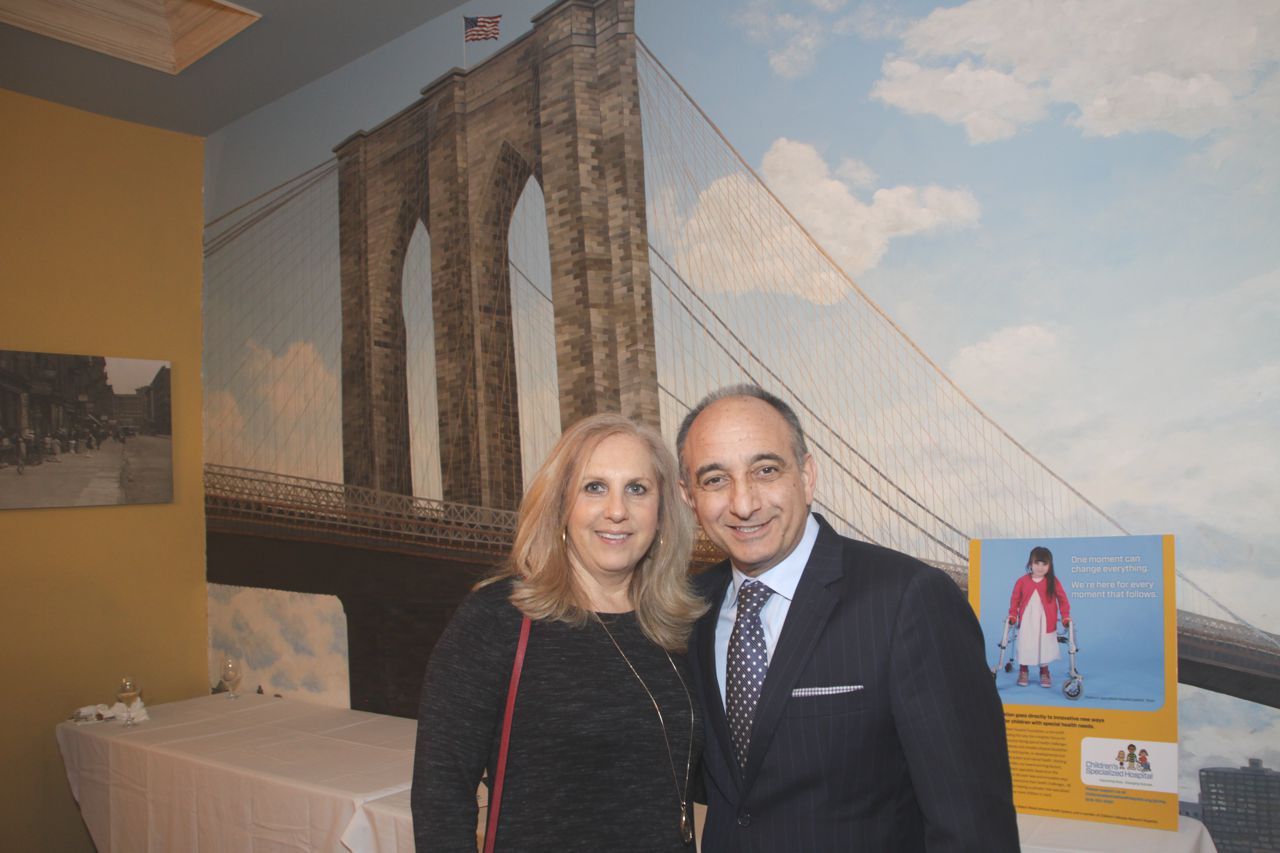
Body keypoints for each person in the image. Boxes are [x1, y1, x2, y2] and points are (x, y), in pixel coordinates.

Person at [676, 384, 1019, 852]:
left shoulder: (909, 599)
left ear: (807, 475)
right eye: (715, 479)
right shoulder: (689, 607)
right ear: (689, 497)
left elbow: (973, 826)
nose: (743, 502)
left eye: (766, 470)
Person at [412, 413, 707, 852]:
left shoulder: (678, 625)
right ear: (561, 505)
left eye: (637, 489)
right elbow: (440, 795)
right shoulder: (498, 618)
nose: (617, 511)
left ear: (662, 512)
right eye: (594, 487)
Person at [1007, 545, 1071, 688]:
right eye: (1037, 563)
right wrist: (1013, 614)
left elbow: (1063, 600)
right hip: (1028, 620)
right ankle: (1023, 670)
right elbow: (1015, 599)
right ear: (1030, 563)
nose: (1040, 567)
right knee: (1026, 643)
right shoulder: (1022, 581)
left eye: (1044, 564)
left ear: (1050, 566)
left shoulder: (1053, 581)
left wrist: (1065, 616)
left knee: (1044, 645)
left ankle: (1044, 671)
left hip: (1045, 620)